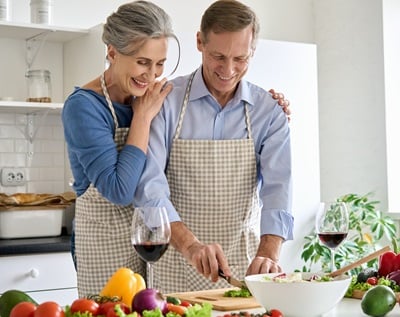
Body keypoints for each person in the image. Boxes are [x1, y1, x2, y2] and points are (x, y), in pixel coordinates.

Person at [134, 0, 293, 293]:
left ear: (253, 52)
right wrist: (191, 246)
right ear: (199, 42)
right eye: (218, 56)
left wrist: (269, 253)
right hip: (175, 262)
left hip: (244, 265)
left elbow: (278, 189)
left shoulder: (268, 112)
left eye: (240, 59)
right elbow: (149, 186)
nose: (228, 70)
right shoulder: (165, 101)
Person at [62, 1, 177, 297]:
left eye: (160, 64)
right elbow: (118, 189)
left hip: (153, 243)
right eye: (142, 62)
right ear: (112, 52)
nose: (151, 75)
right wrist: (141, 117)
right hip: (104, 245)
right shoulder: (84, 107)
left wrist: (273, 105)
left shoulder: (154, 96)